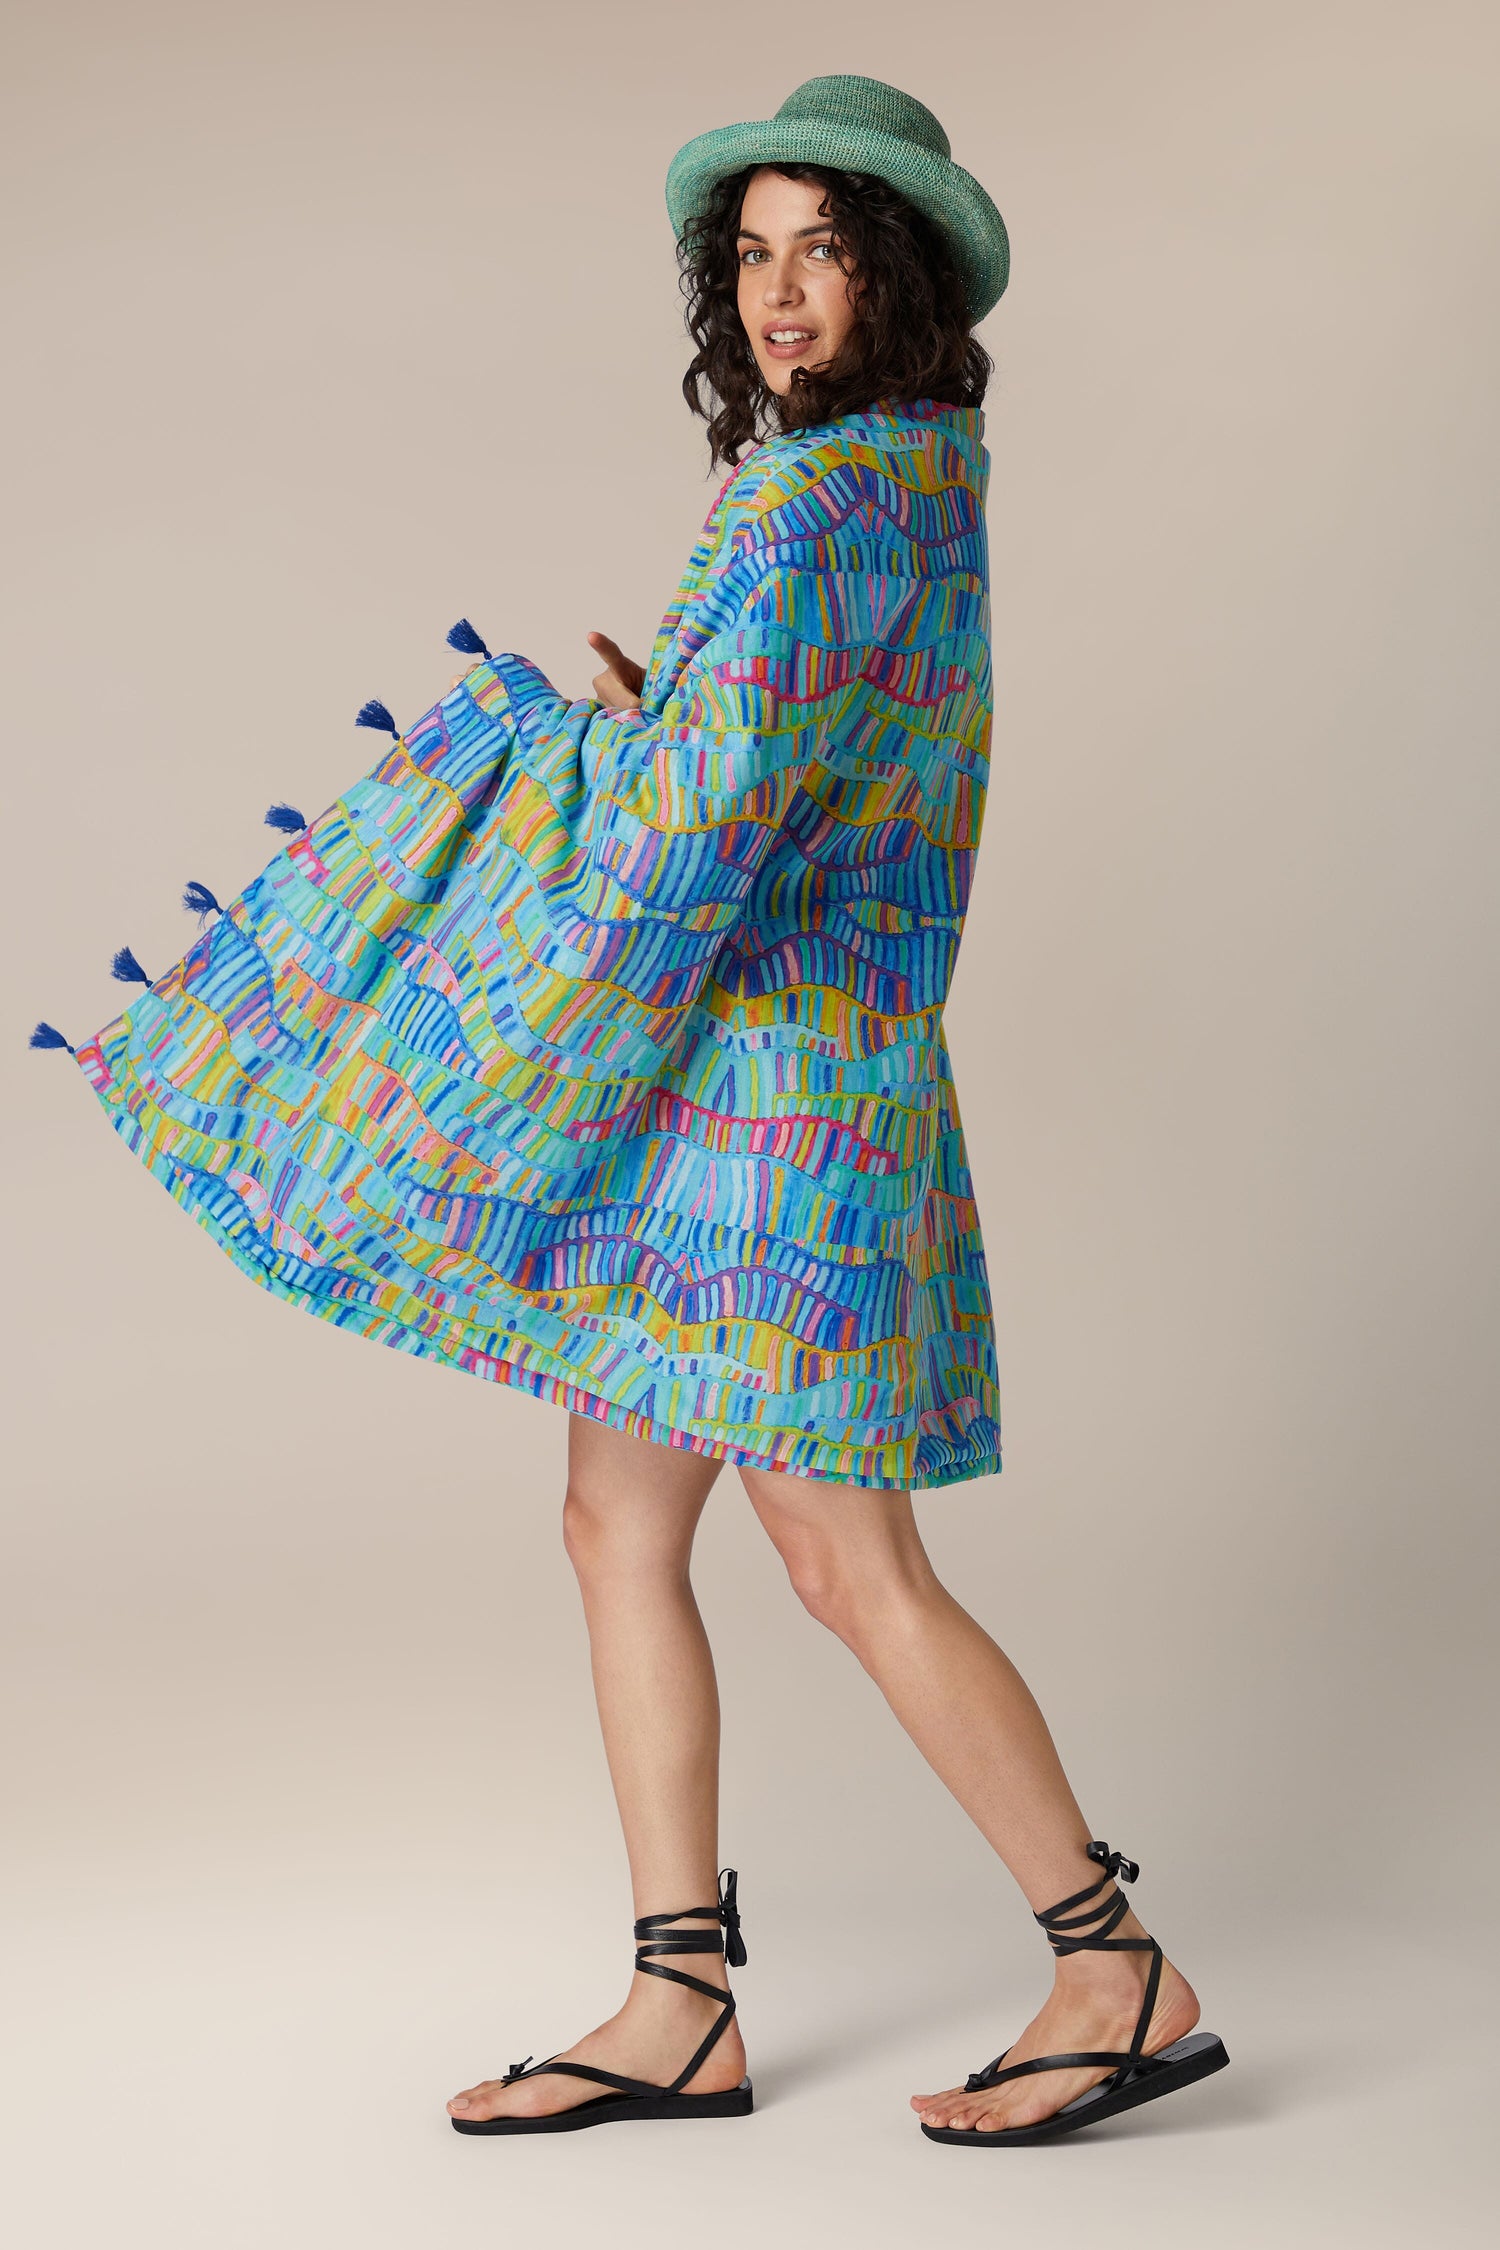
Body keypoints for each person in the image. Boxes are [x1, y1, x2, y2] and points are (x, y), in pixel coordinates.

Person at [31, 76, 1225, 2144]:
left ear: (903, 267)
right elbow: (781, 776)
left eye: (822, 248)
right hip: (786, 1084)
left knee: (850, 1568)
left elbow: (699, 828)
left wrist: (541, 760)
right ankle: (681, 1999)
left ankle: (1111, 1963)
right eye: (749, 253)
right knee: (615, 1525)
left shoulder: (805, 505)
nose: (777, 293)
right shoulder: (925, 482)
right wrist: (651, 728)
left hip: (758, 1100)